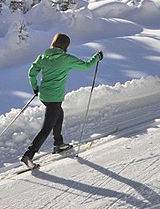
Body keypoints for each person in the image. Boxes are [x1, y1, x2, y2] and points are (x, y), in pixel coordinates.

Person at [21, 33, 101, 169]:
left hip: (44, 95)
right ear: (66, 46)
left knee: (59, 115)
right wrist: (97, 58)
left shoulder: (43, 57)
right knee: (46, 127)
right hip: (54, 98)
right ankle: (28, 156)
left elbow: (31, 73)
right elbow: (86, 66)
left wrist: (35, 87)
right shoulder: (66, 59)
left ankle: (59, 143)